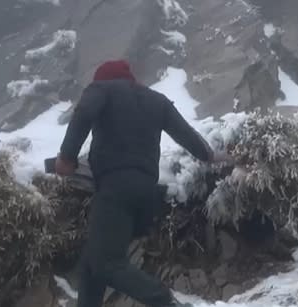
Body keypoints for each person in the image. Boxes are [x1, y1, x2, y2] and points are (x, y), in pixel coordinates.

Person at [55, 60, 228, 307]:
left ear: (103, 79)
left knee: (107, 262)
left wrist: (66, 157)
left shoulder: (102, 89)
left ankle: (165, 301)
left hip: (116, 188)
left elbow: (84, 113)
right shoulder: (156, 100)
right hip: (145, 195)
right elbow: (185, 133)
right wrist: (209, 156)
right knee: (93, 263)